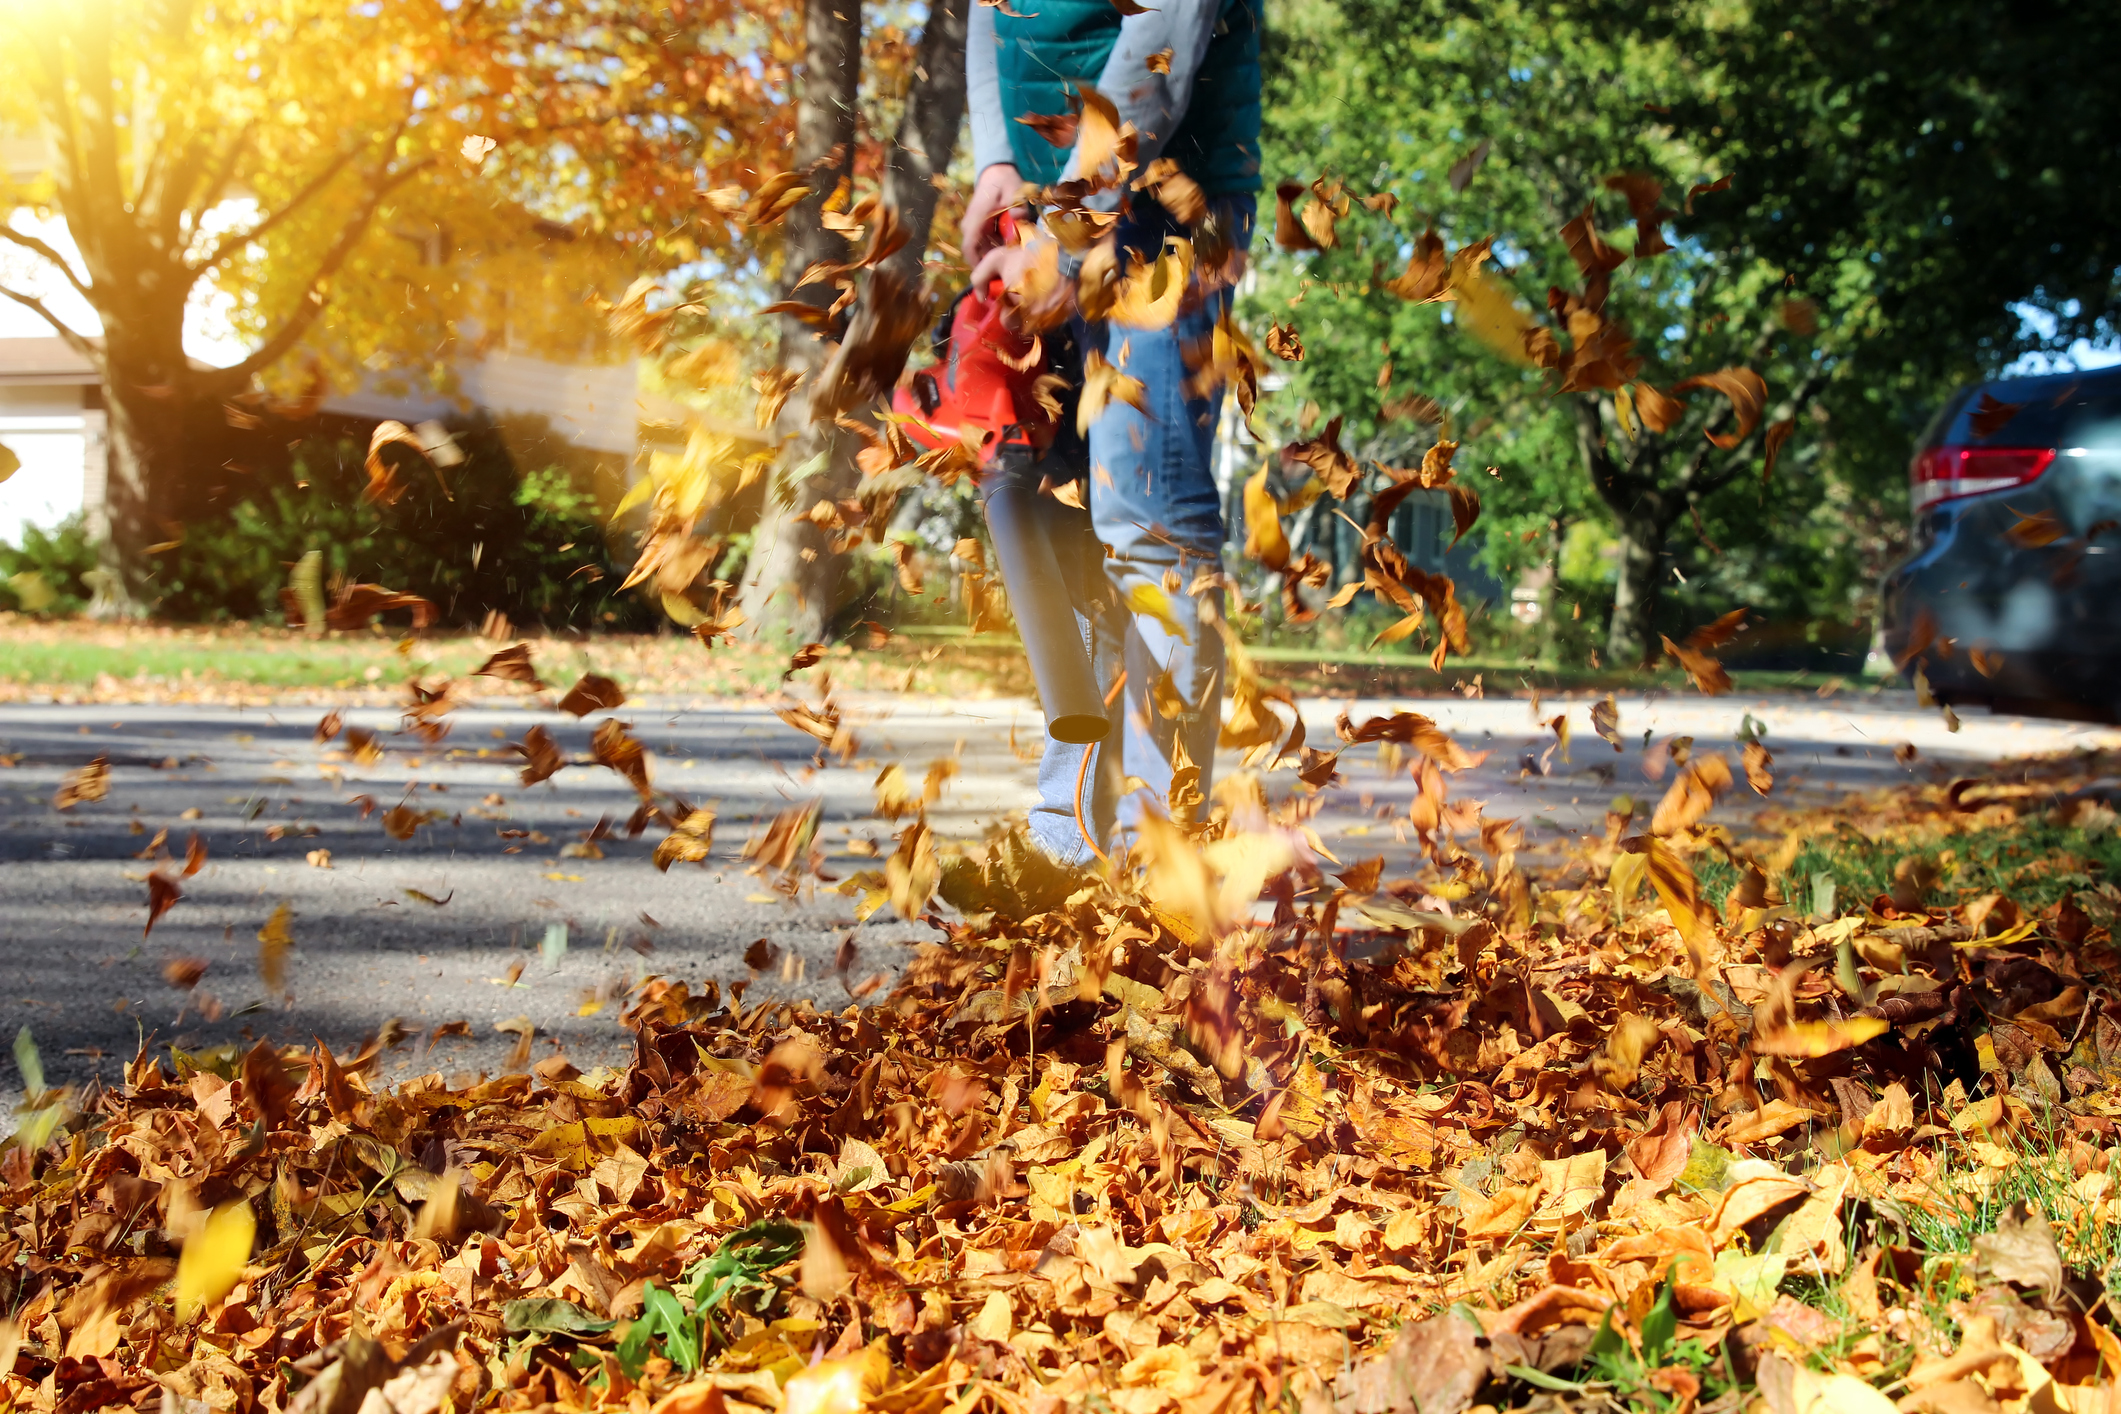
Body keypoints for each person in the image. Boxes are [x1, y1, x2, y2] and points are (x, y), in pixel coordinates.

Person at [960, 0, 1263, 865]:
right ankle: (1073, 844)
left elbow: (1164, 37)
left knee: (1147, 514)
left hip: (1166, 197)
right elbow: (991, 13)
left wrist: (1068, 214)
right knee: (1058, 509)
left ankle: (1161, 855)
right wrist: (996, 161)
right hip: (1053, 188)